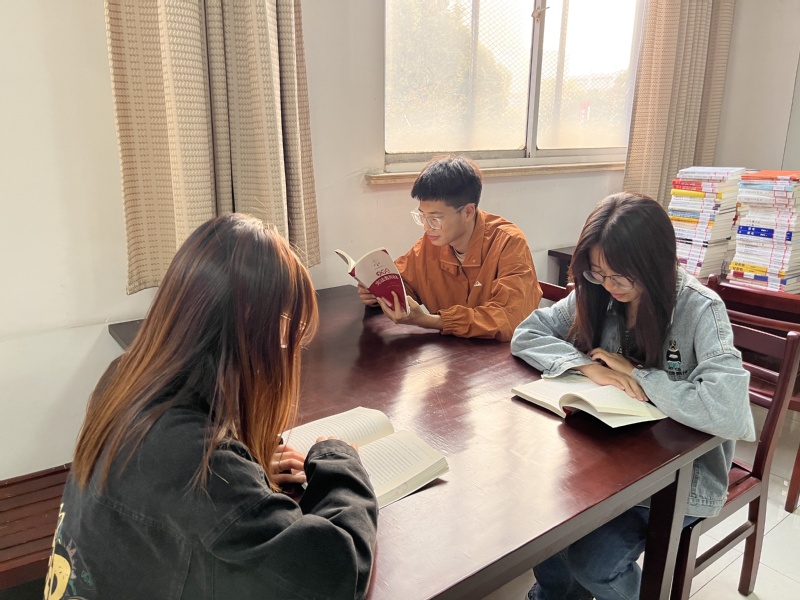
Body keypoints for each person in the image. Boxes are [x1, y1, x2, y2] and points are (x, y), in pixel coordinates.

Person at [45, 215, 378, 600]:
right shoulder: (198, 461)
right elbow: (336, 575)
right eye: (289, 332)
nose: (290, 352)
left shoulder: (125, 377)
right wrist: (339, 460)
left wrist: (245, 466)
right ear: (251, 323)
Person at [510, 192, 755, 600]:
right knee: (545, 530)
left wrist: (639, 375)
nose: (610, 286)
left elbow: (729, 410)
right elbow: (528, 333)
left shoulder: (700, 309)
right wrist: (588, 367)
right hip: (606, 459)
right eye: (598, 274)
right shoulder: (599, 291)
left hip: (679, 477)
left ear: (654, 263)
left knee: (593, 564)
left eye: (620, 277)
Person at [358, 155, 542, 342]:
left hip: (507, 354)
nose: (427, 227)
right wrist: (377, 293)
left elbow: (509, 318)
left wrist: (430, 321)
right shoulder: (432, 243)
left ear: (468, 212)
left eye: (435, 219)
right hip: (455, 352)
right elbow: (405, 281)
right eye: (422, 216)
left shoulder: (508, 243)